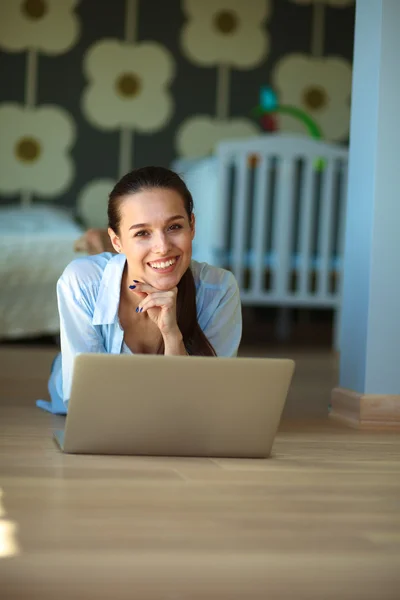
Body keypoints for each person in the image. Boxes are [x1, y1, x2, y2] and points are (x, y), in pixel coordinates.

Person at [37, 166, 242, 414]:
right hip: (75, 381)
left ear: (192, 226)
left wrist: (171, 335)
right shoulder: (81, 281)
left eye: (174, 227)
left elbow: (207, 404)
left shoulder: (219, 290)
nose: (162, 247)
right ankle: (103, 251)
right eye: (143, 233)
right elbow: (81, 399)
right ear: (118, 241)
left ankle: (113, 248)